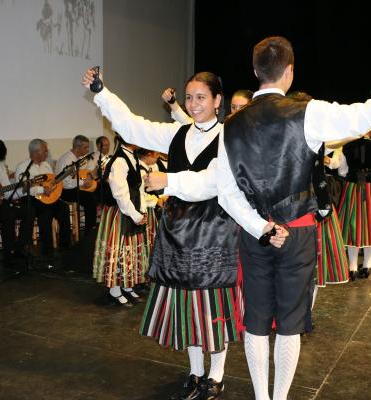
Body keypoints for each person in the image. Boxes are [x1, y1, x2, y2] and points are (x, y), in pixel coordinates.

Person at [216, 36, 371, 400]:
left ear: (255, 72)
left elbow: (227, 192)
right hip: (297, 232)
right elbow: (369, 112)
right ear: (289, 72)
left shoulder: (231, 125)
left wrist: (261, 228)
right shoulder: (308, 112)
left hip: (254, 234)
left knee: (255, 320)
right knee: (288, 323)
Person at [82, 69, 284, 400]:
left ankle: (216, 375)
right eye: (189, 97)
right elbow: (133, 125)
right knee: (187, 308)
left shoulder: (229, 138)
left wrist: (169, 181)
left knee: (212, 306)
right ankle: (195, 371)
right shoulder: (177, 133)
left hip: (213, 233)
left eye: (201, 97)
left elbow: (213, 182)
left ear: (218, 101)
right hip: (177, 233)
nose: (193, 104)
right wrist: (102, 92)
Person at [92, 137, 152, 306]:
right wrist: (135, 214)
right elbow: (120, 194)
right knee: (118, 251)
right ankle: (114, 290)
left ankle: (126, 285)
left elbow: (138, 188)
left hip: (131, 209)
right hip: (120, 212)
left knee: (129, 251)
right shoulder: (119, 160)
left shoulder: (132, 156)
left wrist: (142, 209)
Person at [14, 139, 71, 259]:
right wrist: (42, 190)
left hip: (47, 197)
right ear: (36, 152)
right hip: (31, 198)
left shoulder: (46, 165)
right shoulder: (23, 167)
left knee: (64, 207)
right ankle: (47, 249)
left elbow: (52, 182)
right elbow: (26, 188)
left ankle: (65, 245)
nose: (47, 153)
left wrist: (52, 189)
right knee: (46, 211)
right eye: (45, 150)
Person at [55, 135, 98, 232]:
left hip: (72, 188)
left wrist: (89, 177)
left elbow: (77, 176)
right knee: (89, 198)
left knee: (95, 192)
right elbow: (66, 183)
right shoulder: (67, 160)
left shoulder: (77, 158)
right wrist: (83, 182)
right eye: (85, 147)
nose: (87, 150)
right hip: (64, 191)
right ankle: (90, 230)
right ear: (77, 147)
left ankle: (95, 225)